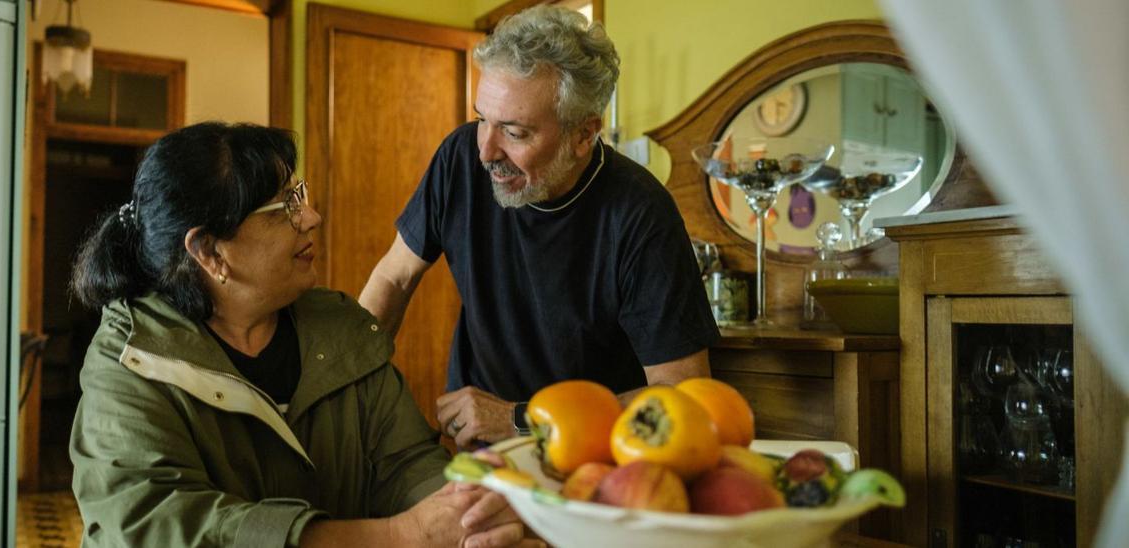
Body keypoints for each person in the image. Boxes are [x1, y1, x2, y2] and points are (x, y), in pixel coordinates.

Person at [69, 122, 536, 547]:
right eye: (284, 207)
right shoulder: (130, 363)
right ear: (209, 251)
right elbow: (157, 526)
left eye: (301, 194)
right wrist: (401, 534)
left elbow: (407, 463)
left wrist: (465, 509)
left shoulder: (341, 329)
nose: (311, 217)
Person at [359, 6, 719, 451]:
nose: (486, 151)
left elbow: (682, 394)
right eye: (482, 119)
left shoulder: (640, 213)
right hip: (480, 453)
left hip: (595, 459)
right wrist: (344, 386)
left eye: (515, 132)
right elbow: (395, 276)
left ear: (583, 134)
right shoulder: (459, 160)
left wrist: (519, 419)